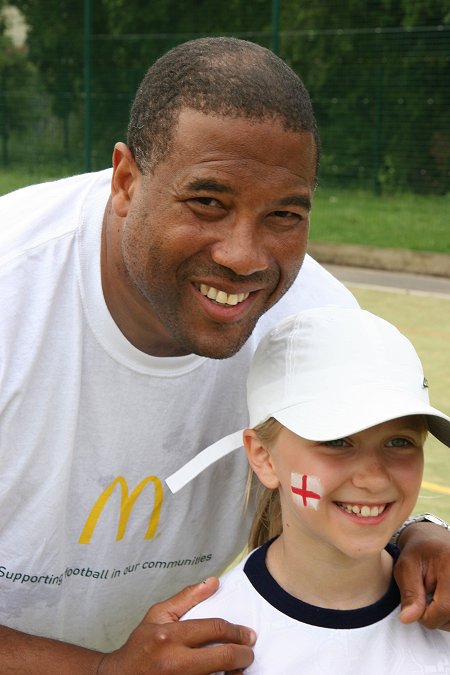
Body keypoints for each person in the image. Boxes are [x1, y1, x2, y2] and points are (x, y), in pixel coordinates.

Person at [0, 36, 449, 674]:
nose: (244, 257)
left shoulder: (313, 326)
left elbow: (340, 480)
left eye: (285, 214)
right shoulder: (13, 287)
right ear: (126, 181)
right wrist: (100, 671)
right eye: (208, 202)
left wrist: (414, 537)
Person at [178, 307, 450, 673]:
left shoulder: (443, 608)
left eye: (399, 441)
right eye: (336, 441)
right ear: (264, 457)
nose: (373, 478)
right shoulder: (210, 645)